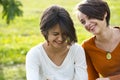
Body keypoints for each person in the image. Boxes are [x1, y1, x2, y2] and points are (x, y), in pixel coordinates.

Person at [26, 5, 88, 80]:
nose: (60, 39)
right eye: (55, 34)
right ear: (45, 33)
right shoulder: (35, 54)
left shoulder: (77, 50)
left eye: (64, 33)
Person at [76, 0, 120, 80]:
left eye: (90, 17)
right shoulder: (87, 47)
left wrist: (109, 79)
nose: (87, 24)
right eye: (83, 22)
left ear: (104, 13)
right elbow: (92, 78)